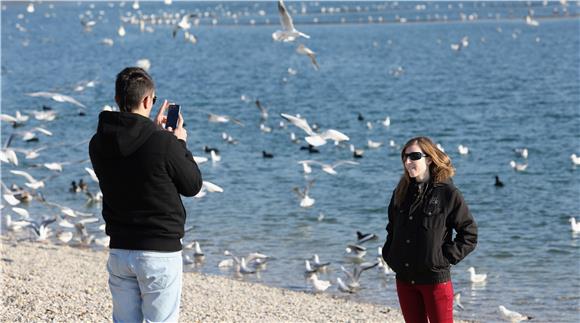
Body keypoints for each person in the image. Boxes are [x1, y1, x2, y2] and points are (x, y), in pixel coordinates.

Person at [89, 67, 203, 322]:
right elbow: (192, 185)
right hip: (158, 252)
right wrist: (178, 142)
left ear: (118, 100)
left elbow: (131, 161)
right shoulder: (163, 143)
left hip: (120, 249)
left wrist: (152, 132)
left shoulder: (98, 143)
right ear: (147, 101)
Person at [381, 136, 477, 323]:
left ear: (429, 158)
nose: (408, 162)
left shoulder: (448, 193)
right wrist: (390, 254)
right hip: (405, 279)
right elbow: (391, 227)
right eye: (405, 157)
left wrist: (442, 259)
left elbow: (469, 233)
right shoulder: (401, 192)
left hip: (435, 281)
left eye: (414, 156)